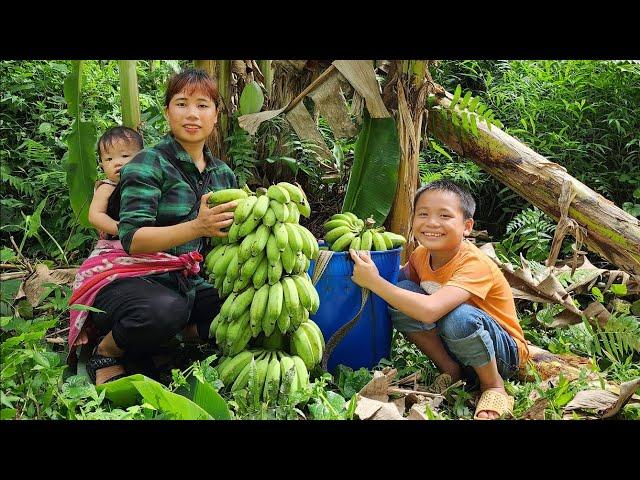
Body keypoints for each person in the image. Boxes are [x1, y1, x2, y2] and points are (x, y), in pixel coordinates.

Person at [82, 68, 238, 385]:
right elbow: (133, 239)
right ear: (167, 111)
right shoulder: (147, 163)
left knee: (243, 306)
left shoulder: (223, 175)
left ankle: (166, 341)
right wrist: (197, 227)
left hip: (188, 279)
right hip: (131, 275)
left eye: (203, 105)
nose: (192, 114)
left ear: (216, 115)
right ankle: (107, 350)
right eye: (182, 103)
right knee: (165, 309)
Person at [348, 180, 529, 420]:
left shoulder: (475, 263)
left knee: (458, 317)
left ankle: (493, 386)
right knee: (402, 291)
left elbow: (430, 311)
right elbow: (397, 288)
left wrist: (374, 282)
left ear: (467, 226)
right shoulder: (421, 255)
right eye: (423, 214)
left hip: (502, 354)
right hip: (458, 349)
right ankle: (451, 371)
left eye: (445, 215)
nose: (432, 223)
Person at [88, 126, 144, 239]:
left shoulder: (146, 183)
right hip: (116, 239)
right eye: (109, 159)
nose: (117, 163)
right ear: (101, 166)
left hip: (147, 236)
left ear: (143, 157)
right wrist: (121, 229)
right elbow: (95, 216)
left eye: (125, 156)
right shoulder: (107, 188)